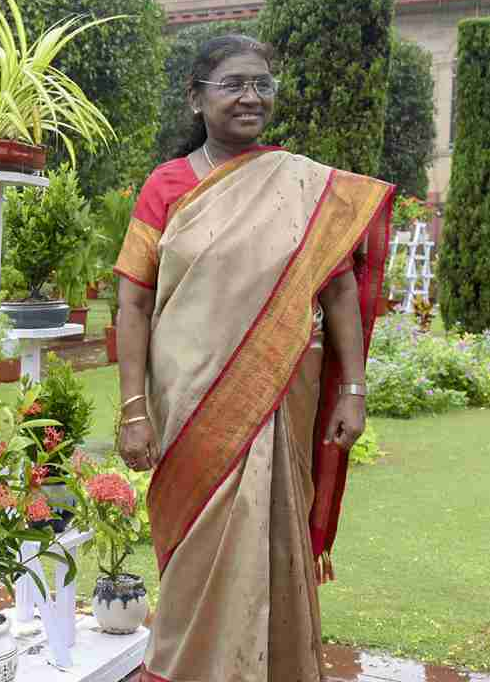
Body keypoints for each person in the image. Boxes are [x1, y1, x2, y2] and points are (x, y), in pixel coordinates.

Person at [113, 35, 395, 682]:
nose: (251, 97)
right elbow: (132, 304)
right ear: (196, 98)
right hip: (190, 400)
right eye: (234, 84)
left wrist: (352, 390)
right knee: (197, 548)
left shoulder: (303, 184)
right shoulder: (167, 187)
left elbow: (342, 287)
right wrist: (133, 410)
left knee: (272, 532)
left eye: (263, 84)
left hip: (279, 397)